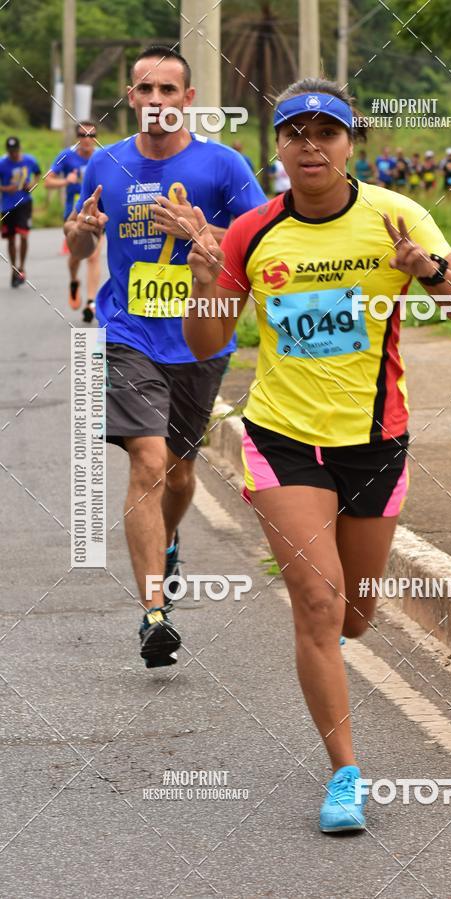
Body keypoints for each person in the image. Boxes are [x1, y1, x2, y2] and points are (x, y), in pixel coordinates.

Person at [181, 77, 451, 833]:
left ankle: (346, 640)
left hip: (377, 441)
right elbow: (206, 344)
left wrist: (428, 270)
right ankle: (344, 774)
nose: (310, 146)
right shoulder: (252, 231)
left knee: (354, 614)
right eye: (295, 133)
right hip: (283, 437)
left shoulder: (396, 216)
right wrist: (204, 279)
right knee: (316, 605)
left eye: (326, 132)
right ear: (278, 146)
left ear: (351, 142)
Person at [65, 45, 266, 669]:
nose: (155, 102)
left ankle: (170, 544)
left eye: (167, 92)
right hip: (129, 334)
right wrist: (77, 236)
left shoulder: (224, 165)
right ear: (131, 98)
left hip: (201, 337)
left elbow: (262, 249)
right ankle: (154, 612)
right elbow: (75, 245)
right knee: (148, 462)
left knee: (179, 473)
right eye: (144, 91)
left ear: (188, 100)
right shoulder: (106, 166)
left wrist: (200, 235)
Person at [46, 121, 101, 320]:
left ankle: (91, 302)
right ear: (77, 136)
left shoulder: (102, 156)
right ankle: (74, 281)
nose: (87, 139)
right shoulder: (66, 156)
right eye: (82, 134)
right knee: (77, 256)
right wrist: (65, 181)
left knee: (94, 255)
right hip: (74, 215)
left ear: (96, 137)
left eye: (91, 135)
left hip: (96, 215)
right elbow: (48, 181)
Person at [0, 136, 41, 287]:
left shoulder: (29, 160)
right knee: (11, 239)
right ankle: (14, 269)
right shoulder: (2, 164)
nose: (14, 154)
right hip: (7, 206)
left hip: (24, 203)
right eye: (11, 152)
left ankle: (22, 267)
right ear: (7, 151)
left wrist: (32, 185)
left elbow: (38, 174)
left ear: (20, 148)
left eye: (16, 151)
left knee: (23, 236)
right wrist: (5, 189)